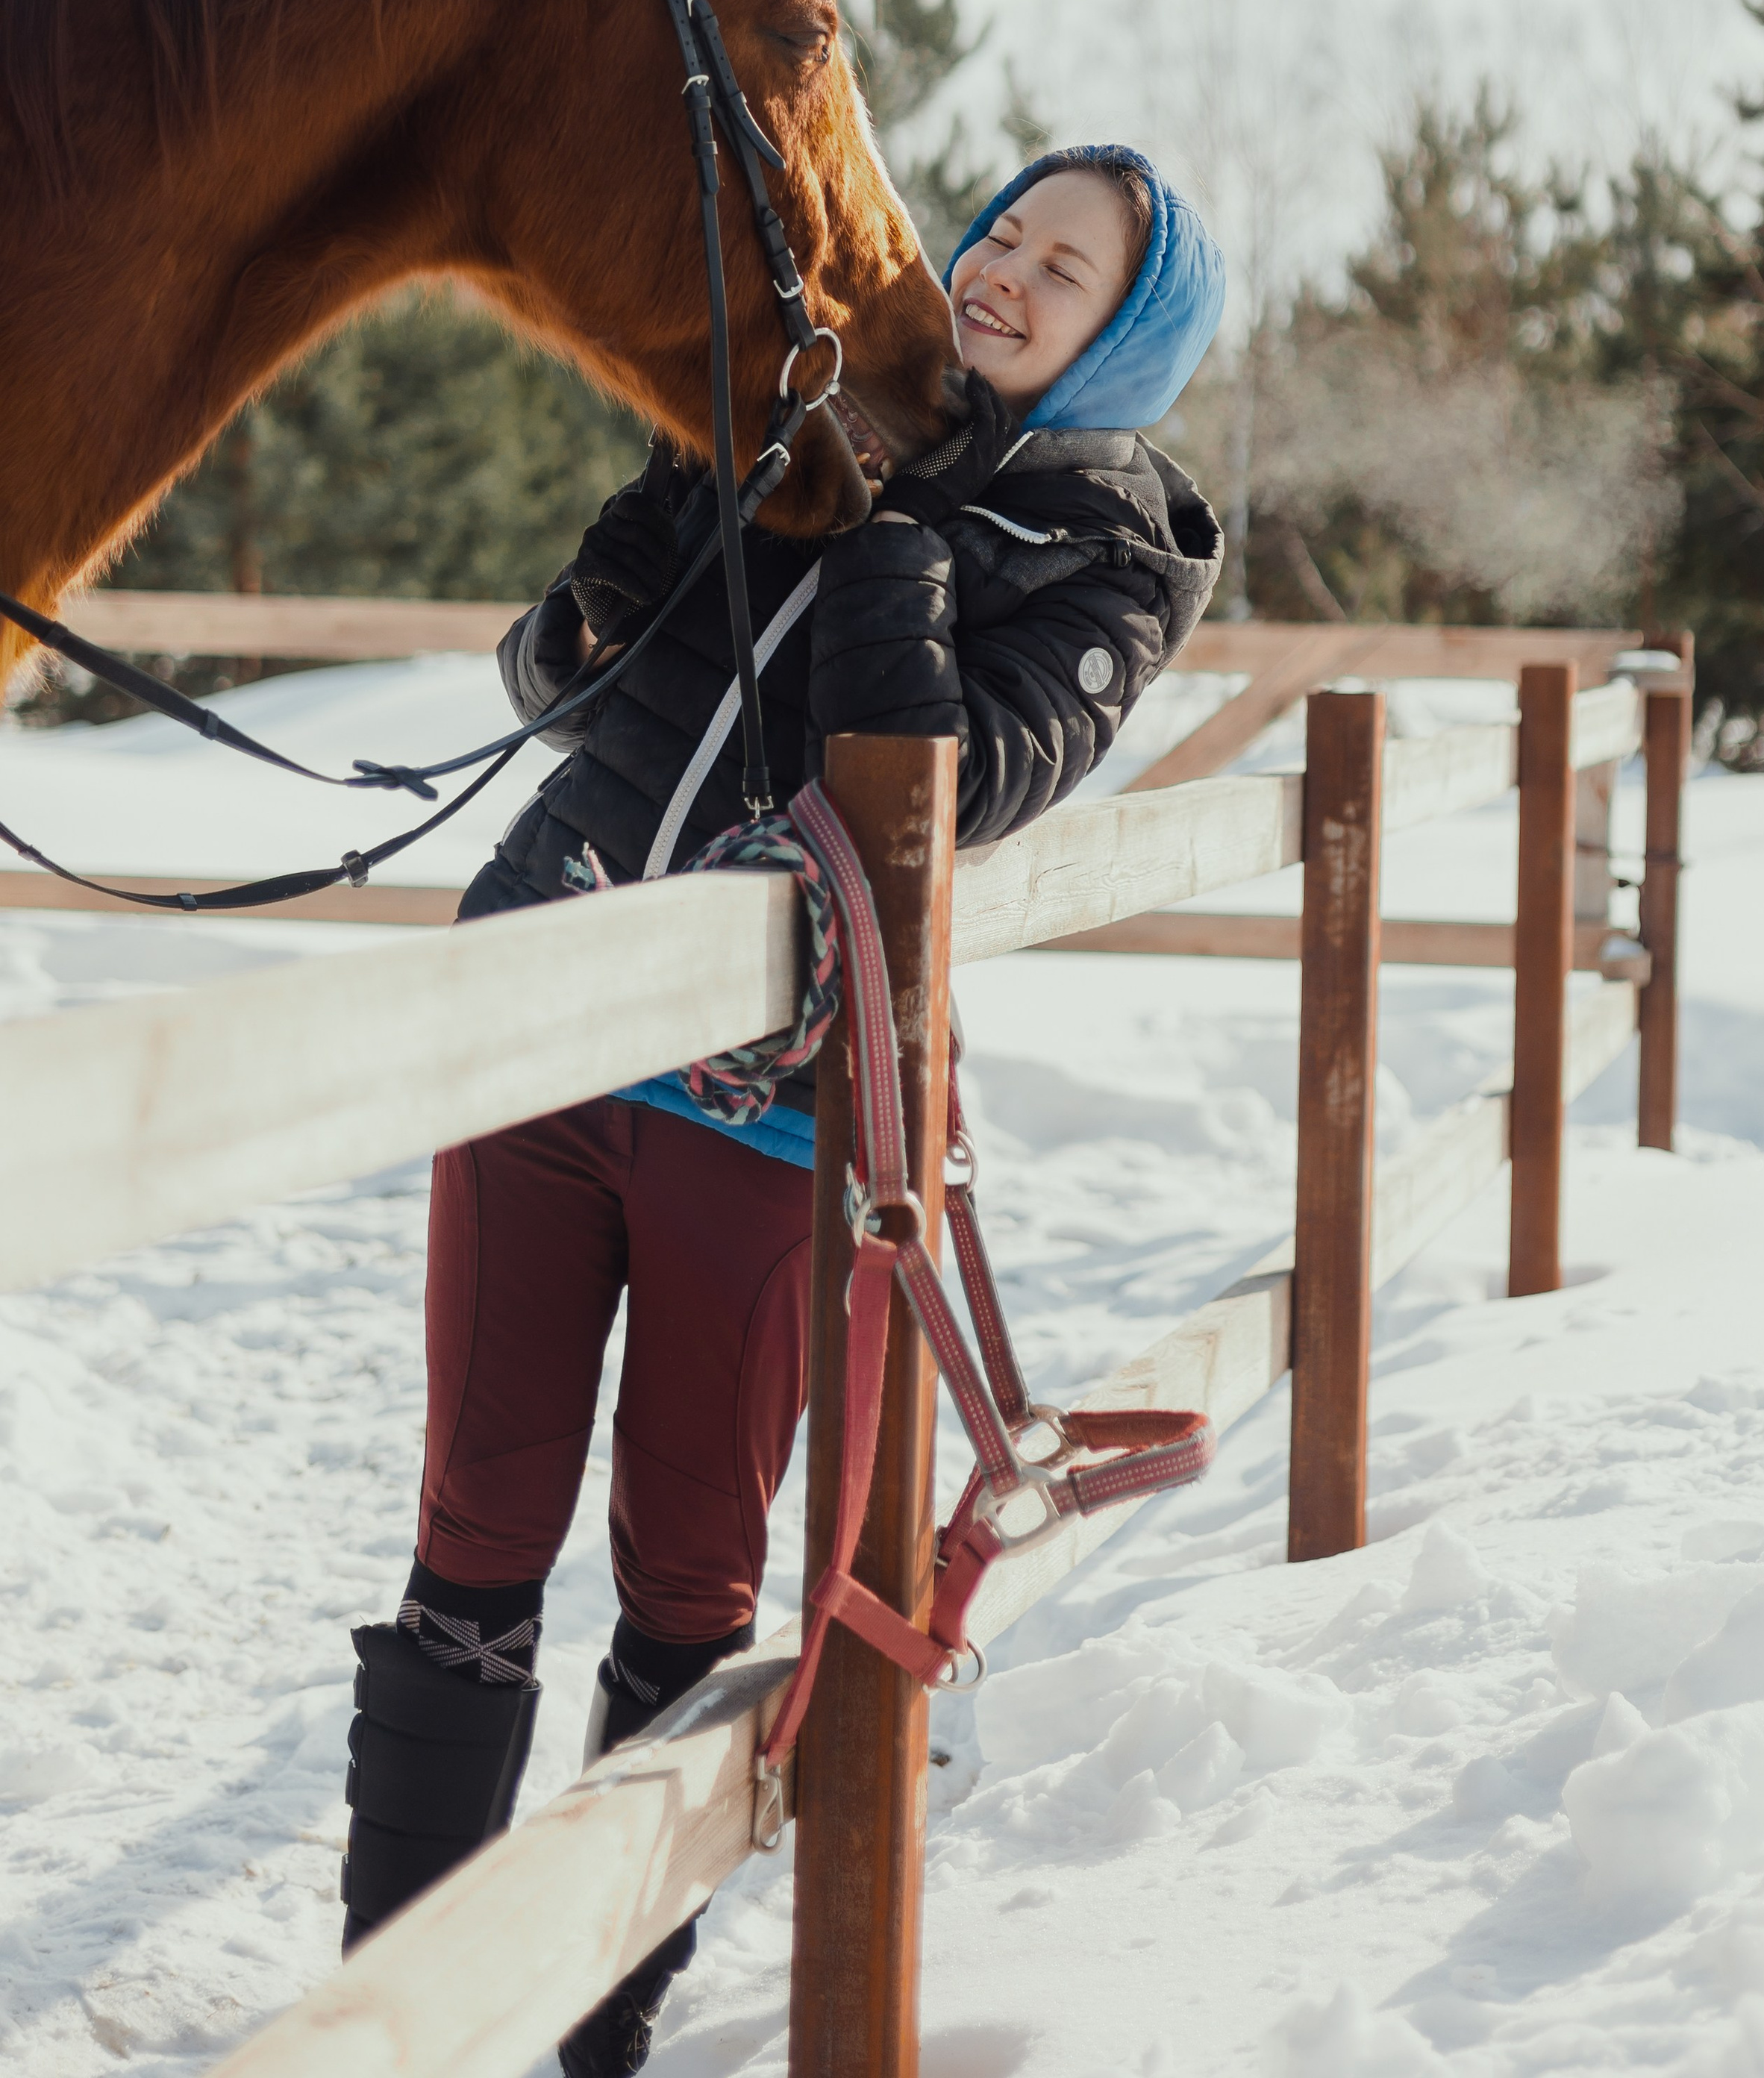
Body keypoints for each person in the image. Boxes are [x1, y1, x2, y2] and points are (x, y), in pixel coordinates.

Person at [337, 145, 1225, 2071]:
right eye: (1002, 230)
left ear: (1118, 344)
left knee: (686, 1566)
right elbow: (556, 684)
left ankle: (593, 2028)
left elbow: (956, 786)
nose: (1001, 273)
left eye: (1062, 272)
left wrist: (887, 538)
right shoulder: (797, 401)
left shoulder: (1110, 558)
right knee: (473, 1523)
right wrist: (596, 611)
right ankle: (390, 2019)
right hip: (550, 1019)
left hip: (771, 1114)